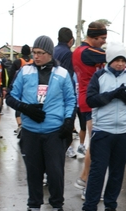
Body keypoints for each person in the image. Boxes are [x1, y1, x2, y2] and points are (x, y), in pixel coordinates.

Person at [6, 35, 76, 211]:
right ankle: (33, 210)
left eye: (40, 53)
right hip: (30, 131)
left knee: (55, 173)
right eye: (34, 53)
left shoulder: (62, 73)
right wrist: (25, 108)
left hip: (54, 132)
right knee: (34, 173)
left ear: (50, 54)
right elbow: (10, 96)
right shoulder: (25, 71)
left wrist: (68, 121)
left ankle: (57, 209)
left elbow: (71, 100)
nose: (35, 56)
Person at [81, 42, 126, 211]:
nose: (120, 64)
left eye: (123, 60)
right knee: (97, 172)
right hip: (103, 130)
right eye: (117, 60)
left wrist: (124, 96)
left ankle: (110, 208)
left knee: (117, 173)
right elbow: (90, 99)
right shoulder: (99, 76)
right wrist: (111, 94)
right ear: (110, 60)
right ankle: (89, 210)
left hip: (124, 131)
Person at [72, 21, 107, 198]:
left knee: (94, 144)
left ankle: (85, 181)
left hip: (86, 100)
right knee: (96, 145)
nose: (104, 42)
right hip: (91, 101)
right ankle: (86, 182)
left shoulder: (81, 51)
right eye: (102, 38)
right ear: (93, 37)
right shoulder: (85, 52)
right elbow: (111, 56)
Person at [53, 27, 78, 159]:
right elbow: (68, 75)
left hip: (52, 93)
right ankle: (66, 148)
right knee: (67, 121)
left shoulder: (52, 51)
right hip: (63, 93)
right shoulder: (68, 53)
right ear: (71, 40)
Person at [8, 44, 34, 137]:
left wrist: (9, 87)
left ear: (21, 52)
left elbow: (11, 75)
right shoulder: (33, 62)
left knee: (19, 105)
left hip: (19, 87)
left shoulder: (18, 62)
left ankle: (20, 125)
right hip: (30, 88)